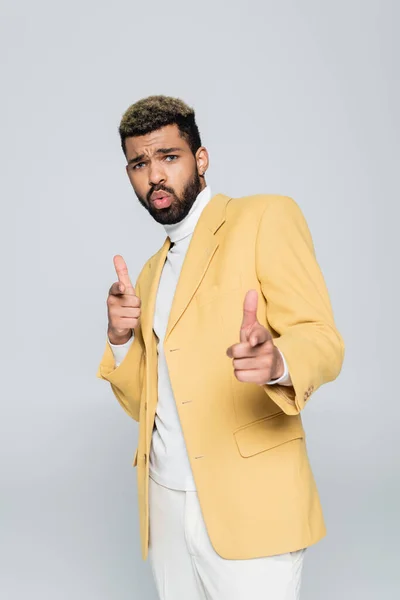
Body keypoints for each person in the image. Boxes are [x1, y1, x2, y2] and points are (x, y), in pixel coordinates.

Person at [96, 95, 345, 600]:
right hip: (165, 505)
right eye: (140, 164)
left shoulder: (264, 218)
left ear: (200, 158)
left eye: (169, 156)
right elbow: (145, 404)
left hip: (251, 501)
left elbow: (322, 338)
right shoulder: (149, 271)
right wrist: (120, 340)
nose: (155, 176)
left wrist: (278, 361)